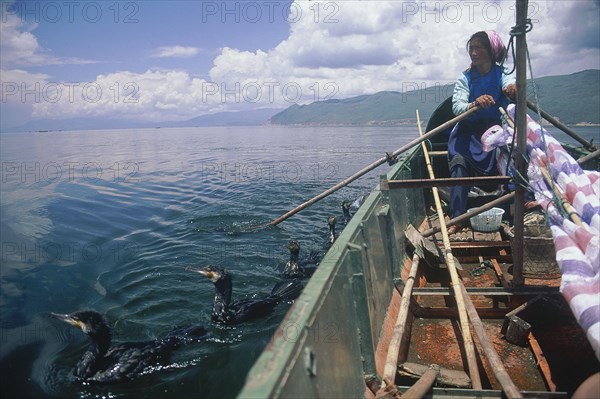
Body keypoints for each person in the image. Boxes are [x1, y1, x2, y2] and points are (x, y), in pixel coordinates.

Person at [447, 30, 516, 234]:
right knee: (459, 161)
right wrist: (474, 104)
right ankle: (457, 217)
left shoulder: (503, 73)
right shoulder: (465, 77)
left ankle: (518, 205)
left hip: (495, 130)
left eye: (479, 48)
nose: (474, 53)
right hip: (468, 131)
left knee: (515, 156)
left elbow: (508, 86)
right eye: (471, 48)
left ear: (491, 51)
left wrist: (512, 90)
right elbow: (457, 107)